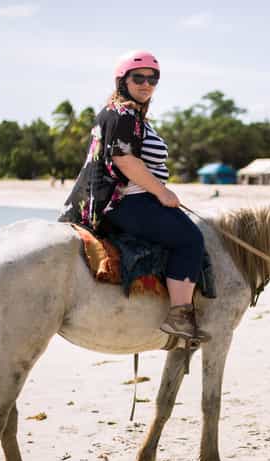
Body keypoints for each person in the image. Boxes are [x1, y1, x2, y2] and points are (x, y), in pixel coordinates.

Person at [58, 50, 208, 341]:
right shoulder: (121, 114)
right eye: (138, 78)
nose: (146, 84)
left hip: (137, 197)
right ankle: (179, 314)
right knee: (190, 239)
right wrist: (162, 192)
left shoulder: (134, 117)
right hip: (124, 201)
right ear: (121, 80)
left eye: (153, 79)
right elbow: (124, 161)